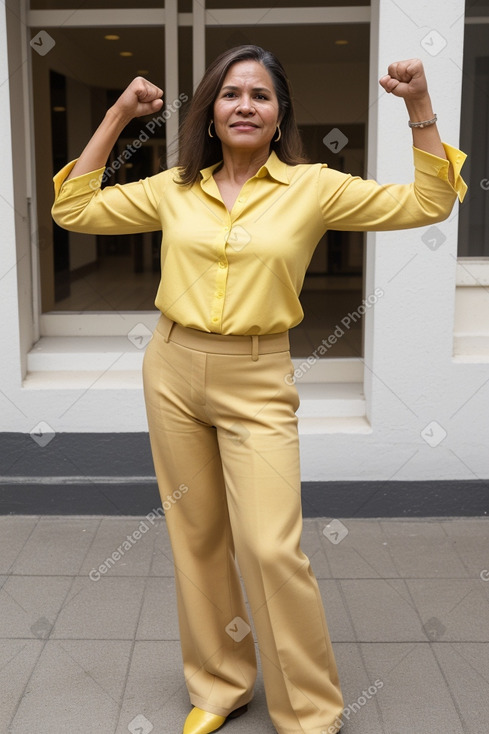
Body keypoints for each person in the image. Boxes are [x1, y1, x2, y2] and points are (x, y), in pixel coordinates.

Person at [51, 45, 466, 734]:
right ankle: (219, 685)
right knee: (197, 535)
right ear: (211, 115)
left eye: (261, 96)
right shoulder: (173, 187)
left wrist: (417, 108)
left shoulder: (314, 186)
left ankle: (308, 710)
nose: (245, 104)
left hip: (258, 374)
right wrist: (122, 113)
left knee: (271, 545)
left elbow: (426, 203)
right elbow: (72, 208)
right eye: (230, 94)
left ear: (278, 118)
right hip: (173, 368)